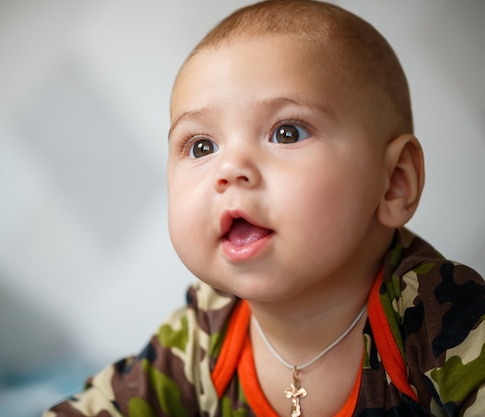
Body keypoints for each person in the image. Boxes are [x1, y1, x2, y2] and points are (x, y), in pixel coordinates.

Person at [44, 1, 485, 416]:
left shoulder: (442, 319)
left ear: (394, 183)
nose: (230, 169)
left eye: (287, 133)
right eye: (202, 146)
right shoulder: (205, 331)